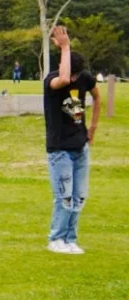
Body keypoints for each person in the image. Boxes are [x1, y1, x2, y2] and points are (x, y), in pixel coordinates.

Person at [42, 25, 100, 255]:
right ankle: (56, 239)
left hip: (80, 147)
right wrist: (65, 46)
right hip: (59, 149)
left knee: (78, 197)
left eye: (77, 76)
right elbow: (65, 78)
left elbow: (97, 98)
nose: (74, 79)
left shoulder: (85, 78)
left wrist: (93, 127)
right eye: (72, 75)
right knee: (64, 196)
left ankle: (70, 239)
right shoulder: (53, 81)